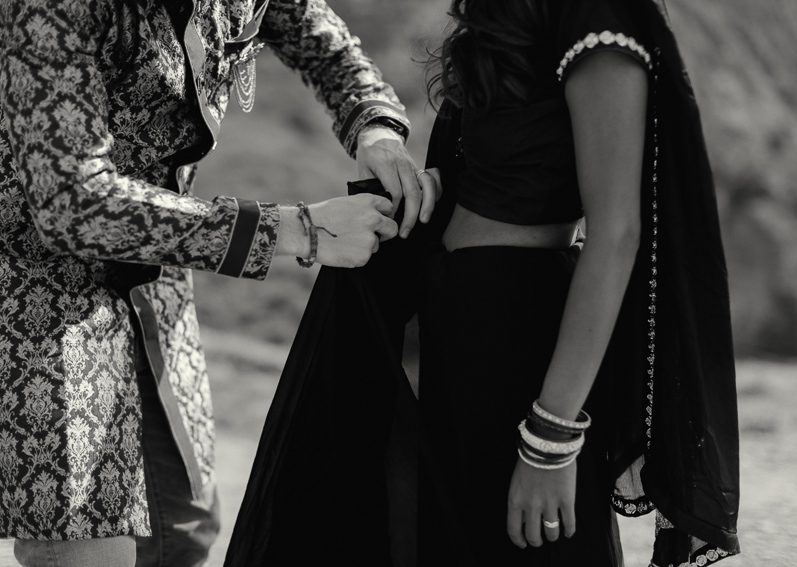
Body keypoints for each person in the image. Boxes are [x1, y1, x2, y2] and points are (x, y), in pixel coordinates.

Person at [227, 1, 740, 566]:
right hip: (455, 320)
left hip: (517, 341)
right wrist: (447, 185)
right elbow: (522, 159)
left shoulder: (597, 14)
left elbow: (616, 234)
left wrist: (550, 441)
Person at [0, 1, 438, 565]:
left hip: (157, 268)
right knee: (90, 551)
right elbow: (72, 204)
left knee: (182, 530)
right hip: (30, 281)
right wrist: (296, 230)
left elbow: (320, 39)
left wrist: (375, 129)